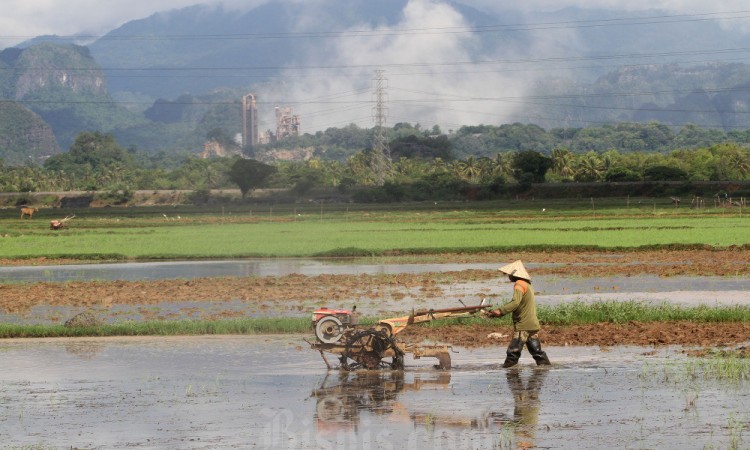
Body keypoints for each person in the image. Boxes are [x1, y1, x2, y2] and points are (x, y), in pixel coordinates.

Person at [487, 260, 551, 368]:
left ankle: (509, 373)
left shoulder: (519, 284)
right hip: (532, 323)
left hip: (523, 324)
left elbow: (515, 302)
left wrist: (500, 310)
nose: (508, 276)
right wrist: (499, 313)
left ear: (514, 274)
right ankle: (545, 369)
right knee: (537, 352)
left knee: (513, 352)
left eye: (509, 274)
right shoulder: (527, 284)